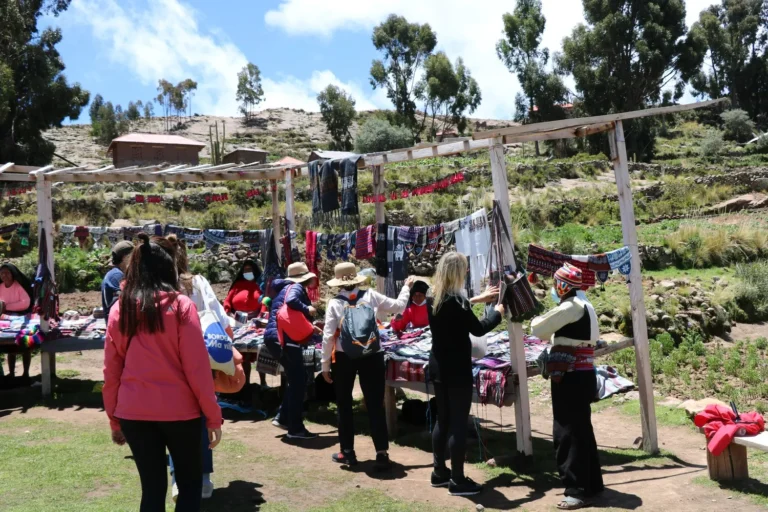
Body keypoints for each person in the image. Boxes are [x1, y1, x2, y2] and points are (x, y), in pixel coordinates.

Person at [103, 234, 223, 512]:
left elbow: (111, 372)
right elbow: (197, 369)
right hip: (181, 414)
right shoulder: (181, 306)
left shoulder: (120, 309)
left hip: (134, 413)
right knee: (190, 487)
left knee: (152, 491)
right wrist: (213, 416)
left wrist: (114, 419)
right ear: (168, 268)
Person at [168, 235, 241, 500]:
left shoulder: (157, 286)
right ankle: (204, 477)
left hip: (170, 362)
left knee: (175, 420)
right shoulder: (197, 282)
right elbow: (219, 318)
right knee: (202, 417)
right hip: (201, 360)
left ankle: (178, 478)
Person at [322, 262, 414, 469]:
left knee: (344, 405)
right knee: (375, 404)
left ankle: (347, 452)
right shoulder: (371, 295)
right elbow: (398, 307)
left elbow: (328, 336)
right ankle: (381, 453)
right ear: (356, 279)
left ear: (338, 283)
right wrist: (406, 287)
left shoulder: (335, 304)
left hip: (345, 358)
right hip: (372, 354)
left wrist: (325, 364)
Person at [428, 252, 503, 496]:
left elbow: (456, 309)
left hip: (438, 367)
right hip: (457, 370)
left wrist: (478, 299)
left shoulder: (434, 298)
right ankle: (458, 480)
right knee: (459, 423)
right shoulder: (458, 303)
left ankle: (440, 472)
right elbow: (479, 328)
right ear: (458, 272)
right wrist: (498, 312)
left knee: (444, 420)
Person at [531, 263, 603, 510]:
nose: (554, 288)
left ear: (562, 286)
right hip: (583, 374)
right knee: (582, 429)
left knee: (566, 430)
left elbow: (537, 328)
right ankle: (591, 484)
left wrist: (538, 316)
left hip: (570, 375)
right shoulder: (586, 306)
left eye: (555, 284)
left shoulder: (571, 307)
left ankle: (575, 489)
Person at [264, 262, 321, 438]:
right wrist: (308, 308)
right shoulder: (295, 287)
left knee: (298, 378)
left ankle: (283, 417)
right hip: (285, 339)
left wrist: (311, 327)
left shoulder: (283, 288)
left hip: (278, 338)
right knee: (298, 381)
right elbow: (292, 303)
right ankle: (295, 428)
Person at [224, 259, 268, 391]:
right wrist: (228, 313)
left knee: (259, 352)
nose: (247, 272)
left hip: (256, 323)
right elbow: (227, 301)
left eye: (249, 270)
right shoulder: (237, 285)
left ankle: (263, 382)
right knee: (242, 355)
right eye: (245, 270)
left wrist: (260, 317)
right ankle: (245, 383)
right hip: (237, 323)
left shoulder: (260, 285)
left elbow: (265, 302)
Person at [1, 263, 33, 382]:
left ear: (13, 274)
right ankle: (11, 374)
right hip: (5, 320)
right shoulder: (0, 287)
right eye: (2, 273)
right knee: (10, 348)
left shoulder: (18, 286)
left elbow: (25, 303)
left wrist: (7, 306)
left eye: (7, 273)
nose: (5, 275)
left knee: (25, 345)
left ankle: (26, 374)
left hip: (23, 318)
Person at [101, 241, 134, 320]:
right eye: (133, 256)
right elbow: (124, 303)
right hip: (117, 322)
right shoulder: (116, 276)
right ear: (124, 257)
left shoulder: (116, 273)